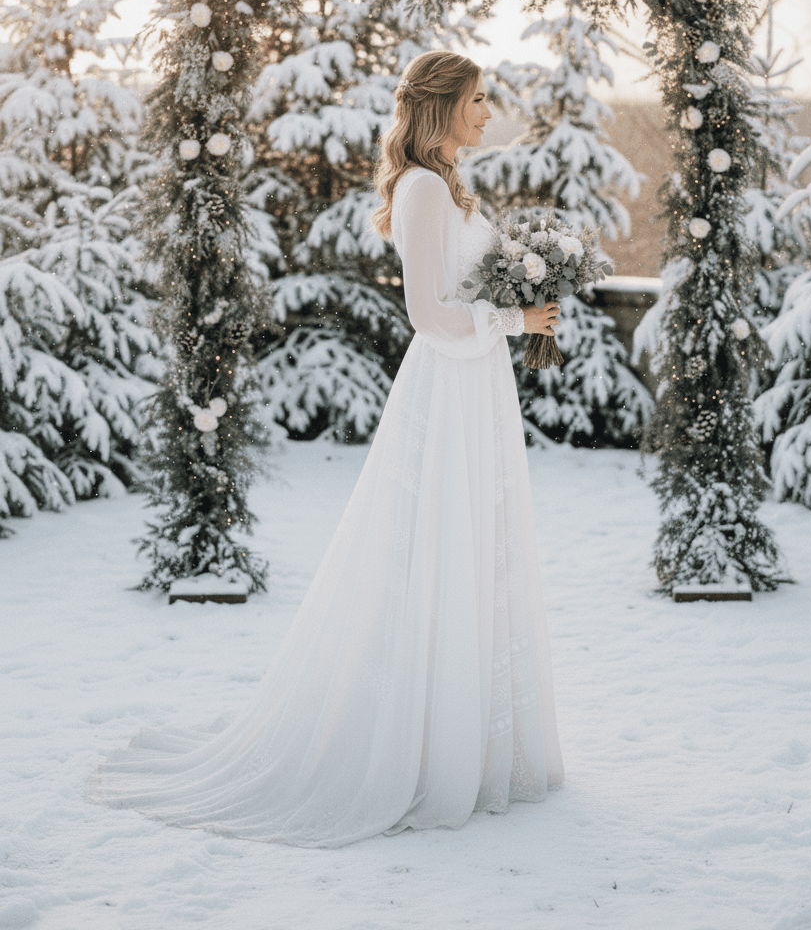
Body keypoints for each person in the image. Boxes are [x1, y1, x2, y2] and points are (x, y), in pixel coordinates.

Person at [90, 50, 564, 847]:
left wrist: (524, 293)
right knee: (435, 547)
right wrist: (519, 321)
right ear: (441, 107)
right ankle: (418, 747)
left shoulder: (449, 183)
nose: (489, 112)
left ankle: (464, 740)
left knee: (471, 545)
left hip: (476, 380)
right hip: (448, 381)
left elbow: (465, 289)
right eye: (479, 99)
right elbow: (427, 314)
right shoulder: (422, 189)